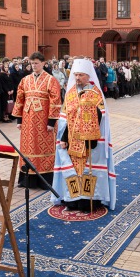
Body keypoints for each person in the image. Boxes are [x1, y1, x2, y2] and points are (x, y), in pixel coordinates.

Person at [51, 58, 116, 212]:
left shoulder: (95, 93)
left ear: (88, 76)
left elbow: (102, 117)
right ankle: (72, 201)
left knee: (89, 170)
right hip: (71, 141)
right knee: (72, 171)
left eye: (81, 75)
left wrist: (91, 135)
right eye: (76, 75)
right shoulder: (70, 94)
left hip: (91, 141)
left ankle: (88, 202)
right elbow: (65, 119)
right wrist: (63, 138)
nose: (78, 78)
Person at [12, 52, 62, 188]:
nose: (34, 66)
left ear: (43, 64)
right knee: (28, 148)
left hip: (44, 122)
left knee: (44, 148)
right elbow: (19, 99)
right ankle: (28, 180)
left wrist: (51, 122)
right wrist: (19, 120)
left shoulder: (51, 80)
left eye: (36, 63)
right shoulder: (25, 80)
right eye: (32, 63)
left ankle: (45, 180)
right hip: (28, 121)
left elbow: (55, 101)